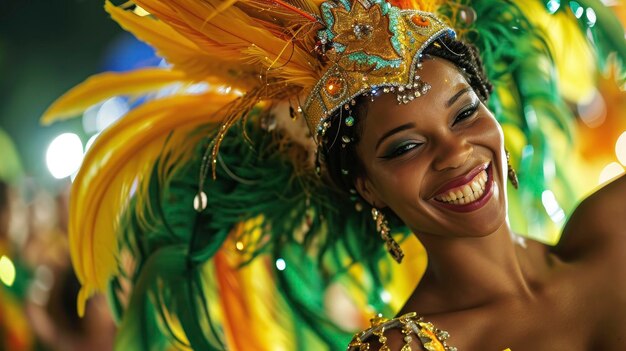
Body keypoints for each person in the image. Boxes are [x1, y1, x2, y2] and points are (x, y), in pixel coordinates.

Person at [42, 0, 626, 350]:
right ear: (367, 185)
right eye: (405, 146)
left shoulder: (614, 222)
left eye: (465, 112)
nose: (456, 152)